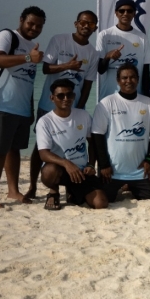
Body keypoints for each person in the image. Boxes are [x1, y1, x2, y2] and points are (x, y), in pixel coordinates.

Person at [26, 10, 101, 200]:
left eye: (91, 24)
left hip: (74, 107)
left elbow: (88, 83)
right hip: (48, 104)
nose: (86, 26)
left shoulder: (92, 53)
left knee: (74, 143)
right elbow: (45, 68)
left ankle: (71, 184)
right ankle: (34, 186)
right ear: (76, 23)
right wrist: (66, 66)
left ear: (95, 28)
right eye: (83, 22)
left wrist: (81, 107)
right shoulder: (59, 40)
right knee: (40, 147)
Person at [0, 6, 46, 210]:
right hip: (1, 104)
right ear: (21, 20)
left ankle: (13, 190)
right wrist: (28, 58)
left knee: (14, 150)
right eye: (30, 23)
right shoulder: (7, 36)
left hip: (21, 108)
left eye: (39, 26)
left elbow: (28, 80)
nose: (34, 28)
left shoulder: (31, 45)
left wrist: (30, 108)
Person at [91, 64, 150, 202]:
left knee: (149, 197)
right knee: (105, 199)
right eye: (124, 78)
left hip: (139, 172)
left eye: (132, 77)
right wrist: (104, 165)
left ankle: (130, 185)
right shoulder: (106, 103)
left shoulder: (148, 103)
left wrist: (149, 159)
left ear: (138, 79)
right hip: (112, 172)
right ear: (118, 80)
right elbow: (97, 136)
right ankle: (123, 184)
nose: (128, 81)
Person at [36, 79, 108, 210]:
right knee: (49, 171)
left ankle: (73, 193)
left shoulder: (83, 115)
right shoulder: (45, 121)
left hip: (81, 171)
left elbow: (92, 143)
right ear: (52, 98)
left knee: (101, 203)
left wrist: (91, 164)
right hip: (60, 170)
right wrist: (66, 163)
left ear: (74, 96)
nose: (66, 98)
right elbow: (43, 154)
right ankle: (54, 191)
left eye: (69, 95)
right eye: (60, 96)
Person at [96, 0, 150, 99]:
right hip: (109, 95)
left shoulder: (142, 37)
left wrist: (147, 97)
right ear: (116, 13)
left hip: (136, 96)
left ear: (134, 14)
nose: (125, 13)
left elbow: (146, 72)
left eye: (129, 11)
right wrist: (107, 56)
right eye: (121, 11)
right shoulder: (104, 35)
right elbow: (100, 70)